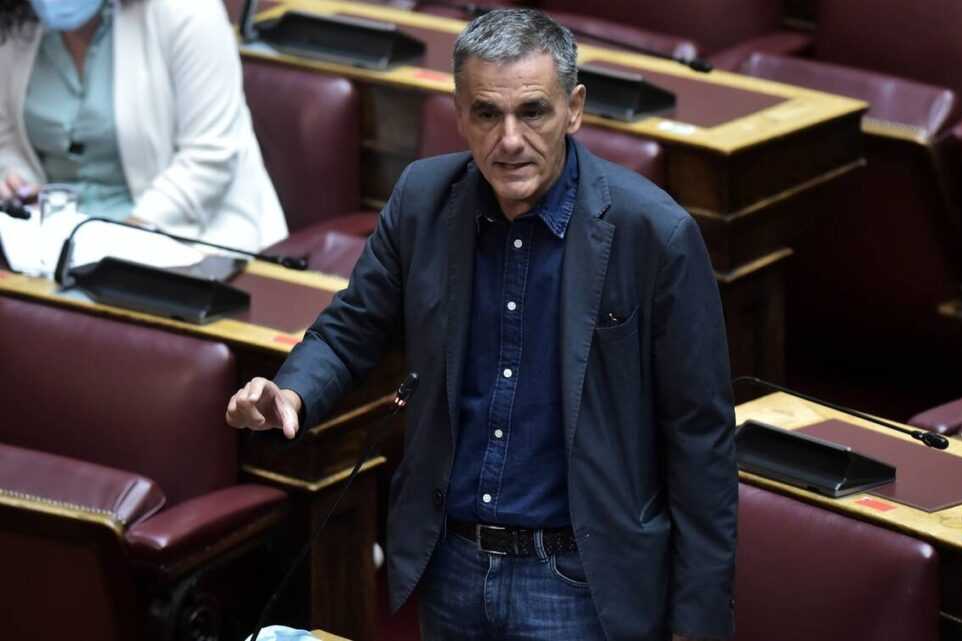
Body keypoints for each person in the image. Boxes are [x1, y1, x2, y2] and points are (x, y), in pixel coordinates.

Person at [226, 9, 736, 641]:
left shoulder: (653, 234)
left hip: (578, 577)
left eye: (533, 112)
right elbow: (350, 327)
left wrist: (698, 625)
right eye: (487, 114)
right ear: (459, 113)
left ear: (574, 109)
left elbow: (700, 440)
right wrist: (292, 391)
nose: (510, 140)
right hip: (453, 564)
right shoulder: (422, 199)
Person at [0, 0, 287, 251]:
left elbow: (209, 157)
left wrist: (120, 240)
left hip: (182, 236)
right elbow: (6, 137)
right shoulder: (14, 19)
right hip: (46, 242)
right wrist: (18, 183)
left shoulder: (187, 10)